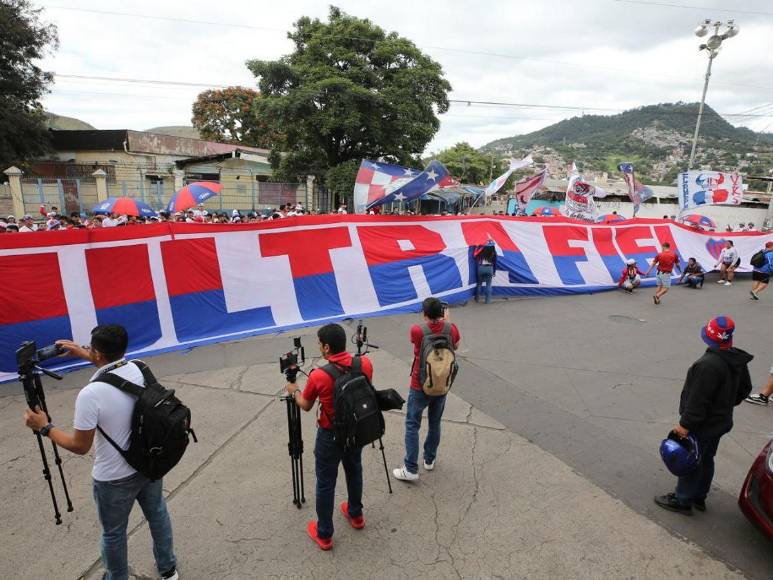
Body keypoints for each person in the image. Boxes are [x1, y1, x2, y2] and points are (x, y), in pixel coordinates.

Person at [22, 325, 179, 580]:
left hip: (113, 478)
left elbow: (79, 446)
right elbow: (114, 369)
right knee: (158, 514)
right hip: (150, 462)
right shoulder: (140, 367)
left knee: (114, 533)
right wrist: (84, 353)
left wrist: (45, 427)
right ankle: (168, 568)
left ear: (97, 353)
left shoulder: (90, 395)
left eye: (91, 350)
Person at [285, 323, 373, 551]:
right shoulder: (365, 363)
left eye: (319, 344)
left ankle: (324, 534)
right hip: (356, 431)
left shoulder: (319, 376)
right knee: (354, 470)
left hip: (329, 436)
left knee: (326, 483)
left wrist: (293, 389)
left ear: (325, 347)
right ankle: (356, 514)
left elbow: (305, 405)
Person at [654, 316, 752, 515]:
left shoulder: (707, 365)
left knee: (692, 459)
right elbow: (745, 389)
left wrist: (684, 425)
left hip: (703, 424)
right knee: (707, 458)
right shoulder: (736, 359)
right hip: (721, 421)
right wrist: (729, 402)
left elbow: (697, 401)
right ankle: (699, 496)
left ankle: (683, 500)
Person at [393, 297, 461, 482]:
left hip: (420, 384)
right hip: (442, 383)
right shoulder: (451, 328)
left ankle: (410, 468)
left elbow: (416, 344)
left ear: (424, 314)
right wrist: (448, 322)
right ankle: (429, 459)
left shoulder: (418, 330)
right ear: (442, 312)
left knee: (412, 424)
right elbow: (455, 345)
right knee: (435, 422)